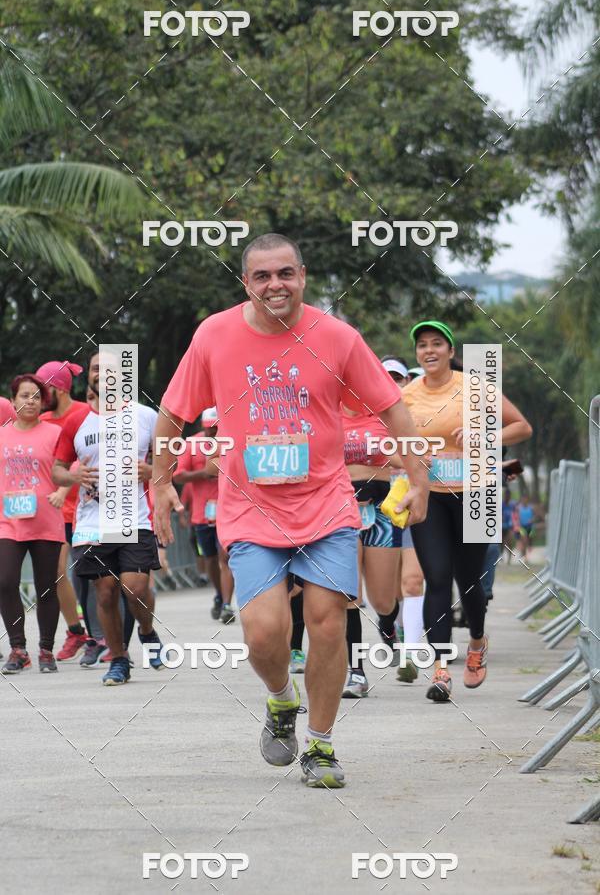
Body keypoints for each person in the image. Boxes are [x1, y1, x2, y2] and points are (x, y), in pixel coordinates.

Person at [152, 233, 429, 788]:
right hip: (249, 508)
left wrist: (418, 477)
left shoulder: (338, 337)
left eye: (285, 273)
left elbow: (392, 407)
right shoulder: (214, 335)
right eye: (262, 276)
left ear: (302, 276)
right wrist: (160, 481)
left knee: (327, 623)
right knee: (263, 633)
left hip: (326, 503)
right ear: (246, 284)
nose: (274, 285)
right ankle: (281, 698)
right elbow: (173, 411)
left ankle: (321, 745)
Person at [402, 321, 532, 702]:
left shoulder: (475, 387)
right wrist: (412, 456)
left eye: (436, 344)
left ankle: (477, 640)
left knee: (470, 581)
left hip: (476, 494)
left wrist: (485, 437)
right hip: (431, 496)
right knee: (437, 577)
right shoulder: (407, 395)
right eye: (422, 345)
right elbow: (390, 443)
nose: (429, 351)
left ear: (450, 351)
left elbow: (522, 427)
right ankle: (440, 670)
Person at [51, 352, 164, 685]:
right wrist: (73, 476)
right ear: (90, 377)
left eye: (109, 368)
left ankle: (147, 630)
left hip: (134, 517)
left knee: (135, 587)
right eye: (96, 369)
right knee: (104, 592)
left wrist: (151, 470)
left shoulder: (145, 416)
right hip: (91, 521)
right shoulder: (77, 421)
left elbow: (170, 459)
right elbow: (57, 470)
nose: (102, 373)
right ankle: (118, 659)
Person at [0, 375, 64, 673]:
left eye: (37, 396)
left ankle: (46, 650)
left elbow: (72, 467)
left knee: (46, 587)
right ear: (13, 400)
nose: (31, 401)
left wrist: (62, 491)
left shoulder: (55, 433)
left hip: (45, 520)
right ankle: (18, 648)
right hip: (8, 520)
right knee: (5, 581)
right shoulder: (2, 434)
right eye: (25, 395)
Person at [341, 402, 404, 698]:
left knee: (382, 600)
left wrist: (388, 453)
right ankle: (356, 672)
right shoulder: (327, 411)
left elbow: (408, 456)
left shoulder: (384, 414)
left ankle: (388, 625)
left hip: (381, 508)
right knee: (349, 595)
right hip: (341, 506)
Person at [37, 360, 92, 660]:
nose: (38, 397)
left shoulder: (85, 413)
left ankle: (101, 638)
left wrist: (61, 489)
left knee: (93, 577)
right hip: (53, 513)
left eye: (42, 390)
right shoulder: (42, 421)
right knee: (56, 572)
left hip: (86, 508)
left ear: (58, 389)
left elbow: (83, 457)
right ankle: (76, 631)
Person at [383, 358, 425, 684]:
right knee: (388, 588)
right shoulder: (365, 417)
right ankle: (393, 626)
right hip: (377, 510)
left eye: (398, 378)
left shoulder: (417, 413)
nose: (393, 383)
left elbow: (426, 456)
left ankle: (410, 653)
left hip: (410, 504)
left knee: (412, 580)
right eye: (386, 378)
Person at [173, 407, 235, 623]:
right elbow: (178, 476)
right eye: (209, 428)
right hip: (202, 515)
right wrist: (204, 473)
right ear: (202, 426)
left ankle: (227, 605)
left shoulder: (231, 440)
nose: (212, 432)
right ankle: (219, 594)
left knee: (225, 557)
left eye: (216, 428)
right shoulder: (191, 444)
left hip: (228, 511)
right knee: (210, 558)